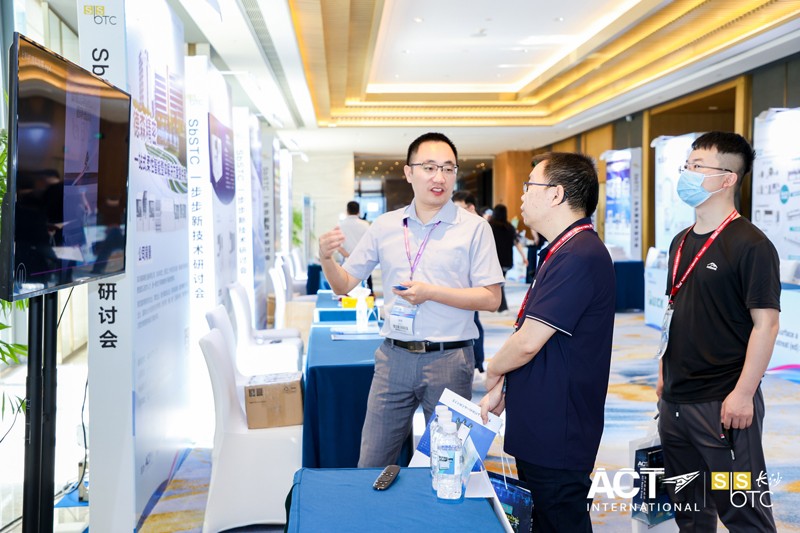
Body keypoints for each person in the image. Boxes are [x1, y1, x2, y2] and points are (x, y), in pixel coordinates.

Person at [319, 132, 504, 468]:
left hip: (450, 359)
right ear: (408, 172)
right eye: (429, 167)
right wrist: (326, 259)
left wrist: (431, 293)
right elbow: (344, 284)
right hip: (393, 359)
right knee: (371, 462)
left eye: (448, 168)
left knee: (448, 469)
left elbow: (492, 298)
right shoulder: (385, 226)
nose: (439, 177)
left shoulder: (475, 228)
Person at [480, 152, 616, 532]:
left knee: (558, 518)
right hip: (543, 419)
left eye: (530, 186)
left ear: (556, 194)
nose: (522, 195)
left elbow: (528, 342)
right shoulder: (563, 249)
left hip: (558, 428)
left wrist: (493, 369)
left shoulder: (579, 254)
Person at [657, 131, 780, 532]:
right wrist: (663, 375)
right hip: (676, 403)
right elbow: (674, 311)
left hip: (724, 405)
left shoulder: (751, 244)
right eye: (687, 165)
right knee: (690, 514)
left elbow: (766, 324)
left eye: (697, 166)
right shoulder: (680, 242)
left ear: (727, 178)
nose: (686, 174)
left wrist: (743, 394)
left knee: (744, 514)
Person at [452, 190, 487, 384]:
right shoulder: (459, 227)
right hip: (460, 289)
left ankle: (477, 364)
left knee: (473, 323)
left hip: (474, 289)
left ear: (471, 207)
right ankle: (476, 364)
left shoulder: (480, 228)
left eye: (459, 208)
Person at [488, 204, 528, 312]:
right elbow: (517, 243)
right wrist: (524, 257)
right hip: (506, 260)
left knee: (498, 284)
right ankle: (500, 306)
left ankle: (501, 306)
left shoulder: (490, 226)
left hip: (494, 260)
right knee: (500, 283)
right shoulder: (509, 227)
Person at [337, 200, 372, 293]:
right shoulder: (365, 225)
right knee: (366, 289)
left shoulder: (341, 225)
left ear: (347, 211)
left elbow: (338, 246)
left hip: (346, 261)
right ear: (358, 211)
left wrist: (349, 256)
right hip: (363, 260)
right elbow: (370, 243)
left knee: (346, 288)